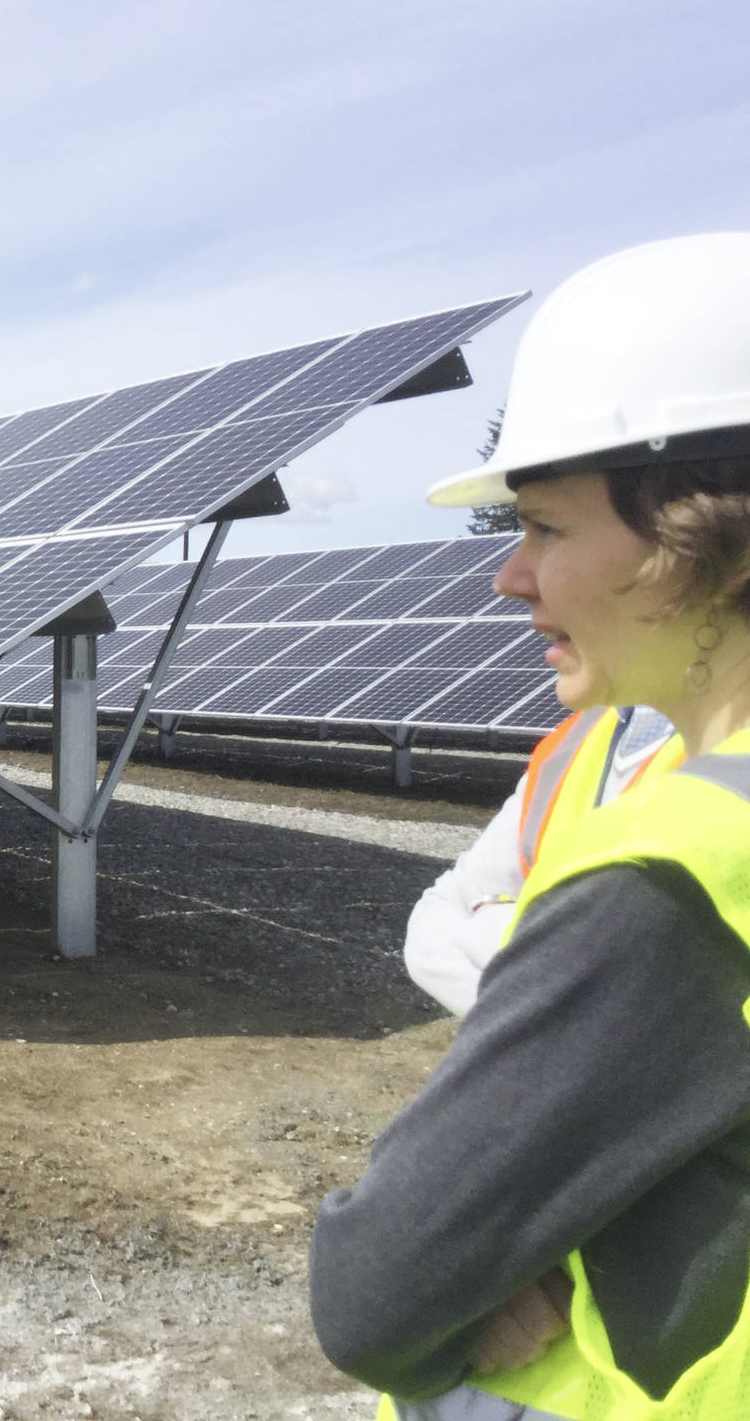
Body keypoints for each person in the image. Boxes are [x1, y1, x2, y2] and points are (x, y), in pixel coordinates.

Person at [310, 231, 750, 1418]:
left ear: (701, 538)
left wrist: (507, 1267)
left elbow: (369, 1291)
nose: (509, 577)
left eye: (545, 529)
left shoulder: (673, 873)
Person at [403, 704, 676, 1015]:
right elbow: (438, 917)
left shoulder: (728, 759)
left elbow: (611, 979)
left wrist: (490, 917)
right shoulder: (576, 737)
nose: (543, 653)